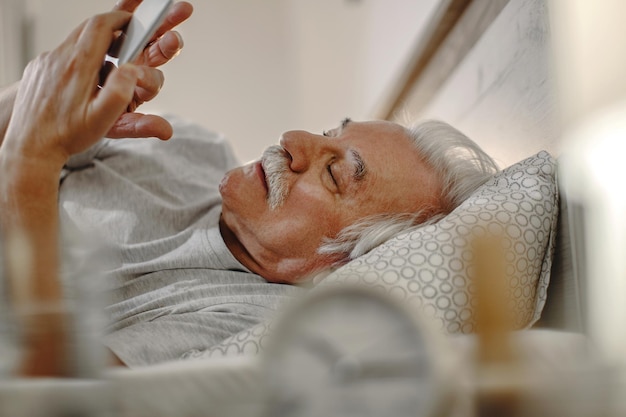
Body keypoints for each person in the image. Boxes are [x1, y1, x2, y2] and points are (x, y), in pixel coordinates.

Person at [0, 1, 498, 374]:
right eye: (329, 134)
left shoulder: (252, 325)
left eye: (332, 172)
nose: (292, 140)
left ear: (350, 261)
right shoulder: (194, 145)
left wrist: (30, 162)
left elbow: (53, 389)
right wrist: (45, 94)